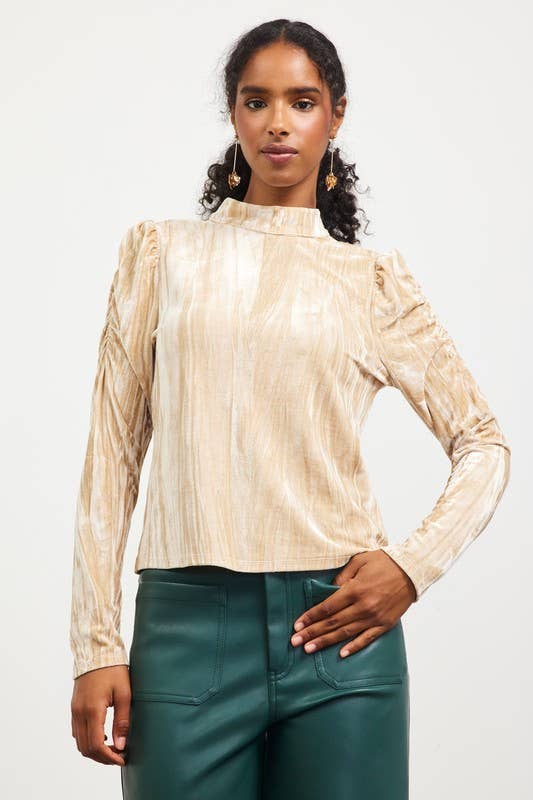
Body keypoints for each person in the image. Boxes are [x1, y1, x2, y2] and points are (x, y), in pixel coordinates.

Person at [69, 19, 511, 800]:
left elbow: (482, 442)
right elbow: (113, 456)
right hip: (185, 629)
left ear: (334, 115)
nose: (278, 122)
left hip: (341, 631)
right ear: (233, 115)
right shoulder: (161, 255)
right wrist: (95, 644)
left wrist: (411, 567)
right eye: (257, 101)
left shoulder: (371, 281)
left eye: (301, 102)